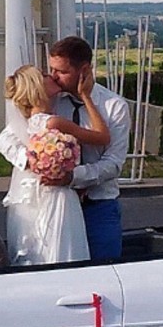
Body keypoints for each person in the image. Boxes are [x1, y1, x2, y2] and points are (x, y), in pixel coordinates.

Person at [0, 64, 110, 265]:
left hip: (38, 194)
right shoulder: (54, 122)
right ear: (37, 87)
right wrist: (86, 96)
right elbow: (102, 137)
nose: (52, 76)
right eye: (44, 75)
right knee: (63, 248)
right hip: (59, 195)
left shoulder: (28, 122)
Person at [43, 36, 131, 259]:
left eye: (61, 71)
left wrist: (73, 177)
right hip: (58, 203)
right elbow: (8, 138)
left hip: (98, 204)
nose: (54, 77)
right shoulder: (51, 101)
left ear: (83, 70)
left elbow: (113, 164)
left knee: (103, 266)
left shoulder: (114, 106)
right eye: (51, 69)